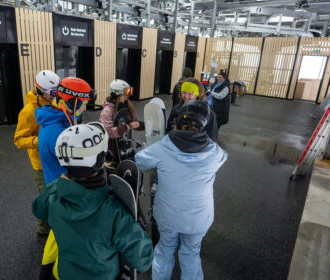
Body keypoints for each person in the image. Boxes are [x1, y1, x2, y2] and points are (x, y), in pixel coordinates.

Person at [32, 122, 154, 280]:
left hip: (64, 273)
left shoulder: (54, 193)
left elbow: (37, 209)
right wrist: (137, 224)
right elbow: (143, 260)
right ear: (102, 160)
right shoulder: (113, 212)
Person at [135, 100, 227, 280]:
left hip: (168, 216)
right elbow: (224, 157)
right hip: (199, 219)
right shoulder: (214, 152)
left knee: (165, 248)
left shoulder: (163, 147)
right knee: (191, 252)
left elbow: (140, 160)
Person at [35, 77, 96, 280]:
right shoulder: (58, 132)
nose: (86, 107)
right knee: (67, 246)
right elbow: (78, 168)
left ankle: (45, 273)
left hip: (57, 191)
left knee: (55, 237)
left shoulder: (56, 120)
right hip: (66, 196)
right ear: (74, 101)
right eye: (84, 103)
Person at [14, 70, 60, 236]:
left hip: (53, 159)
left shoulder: (52, 103)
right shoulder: (28, 112)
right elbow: (18, 140)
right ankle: (42, 228)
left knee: (56, 193)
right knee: (45, 195)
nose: (56, 95)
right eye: (53, 92)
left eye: (57, 91)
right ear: (41, 90)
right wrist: (40, 141)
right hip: (40, 164)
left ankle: (55, 223)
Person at [99, 79, 144, 164]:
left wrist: (140, 124)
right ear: (116, 95)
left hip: (126, 146)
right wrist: (126, 127)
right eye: (124, 95)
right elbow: (108, 132)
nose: (126, 97)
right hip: (113, 151)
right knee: (114, 172)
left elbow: (133, 121)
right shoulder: (107, 111)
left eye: (127, 94)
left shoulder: (127, 106)